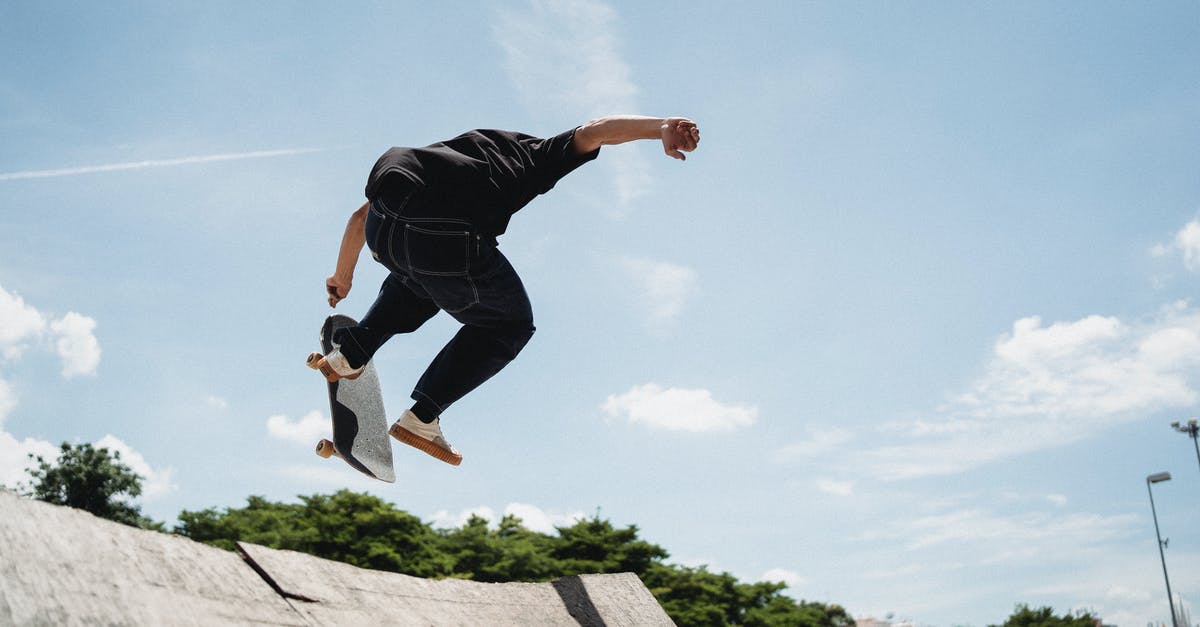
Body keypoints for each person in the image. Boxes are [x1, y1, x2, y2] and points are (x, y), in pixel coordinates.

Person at [308, 115, 700, 466]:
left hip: (385, 223)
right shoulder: (535, 158)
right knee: (510, 323)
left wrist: (343, 277)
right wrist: (660, 126)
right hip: (443, 234)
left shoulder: (446, 157)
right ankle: (422, 416)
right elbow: (596, 132)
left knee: (420, 280)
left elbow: (360, 217)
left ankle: (352, 353)